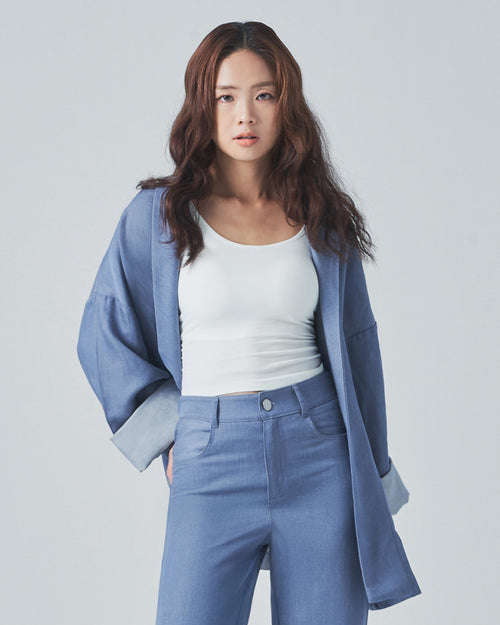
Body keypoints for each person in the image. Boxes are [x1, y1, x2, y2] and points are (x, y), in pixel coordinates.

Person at [76, 20, 421, 625]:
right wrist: (168, 432)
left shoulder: (321, 218)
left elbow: (360, 353)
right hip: (209, 451)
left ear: (286, 105)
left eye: (264, 95)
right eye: (226, 97)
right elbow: (103, 332)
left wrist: (375, 474)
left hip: (318, 448)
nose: (245, 115)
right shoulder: (159, 217)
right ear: (201, 105)